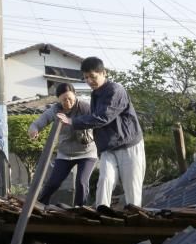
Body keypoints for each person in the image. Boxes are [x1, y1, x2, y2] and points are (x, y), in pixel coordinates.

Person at [57, 56, 145, 208]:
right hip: (108, 148)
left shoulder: (115, 90)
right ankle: (100, 212)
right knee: (104, 180)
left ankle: (136, 220)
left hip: (128, 145)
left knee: (132, 189)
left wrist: (73, 122)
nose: (89, 81)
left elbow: (103, 117)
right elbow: (94, 117)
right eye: (86, 78)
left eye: (93, 76)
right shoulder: (95, 94)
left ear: (103, 73)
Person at [29, 82, 97, 206]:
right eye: (64, 100)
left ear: (75, 95)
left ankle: (80, 211)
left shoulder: (85, 108)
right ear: (58, 99)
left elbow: (98, 120)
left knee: (81, 182)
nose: (68, 102)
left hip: (87, 153)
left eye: (70, 99)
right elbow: (38, 123)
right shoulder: (55, 110)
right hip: (65, 154)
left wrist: (73, 121)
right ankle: (38, 206)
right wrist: (34, 130)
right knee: (53, 183)